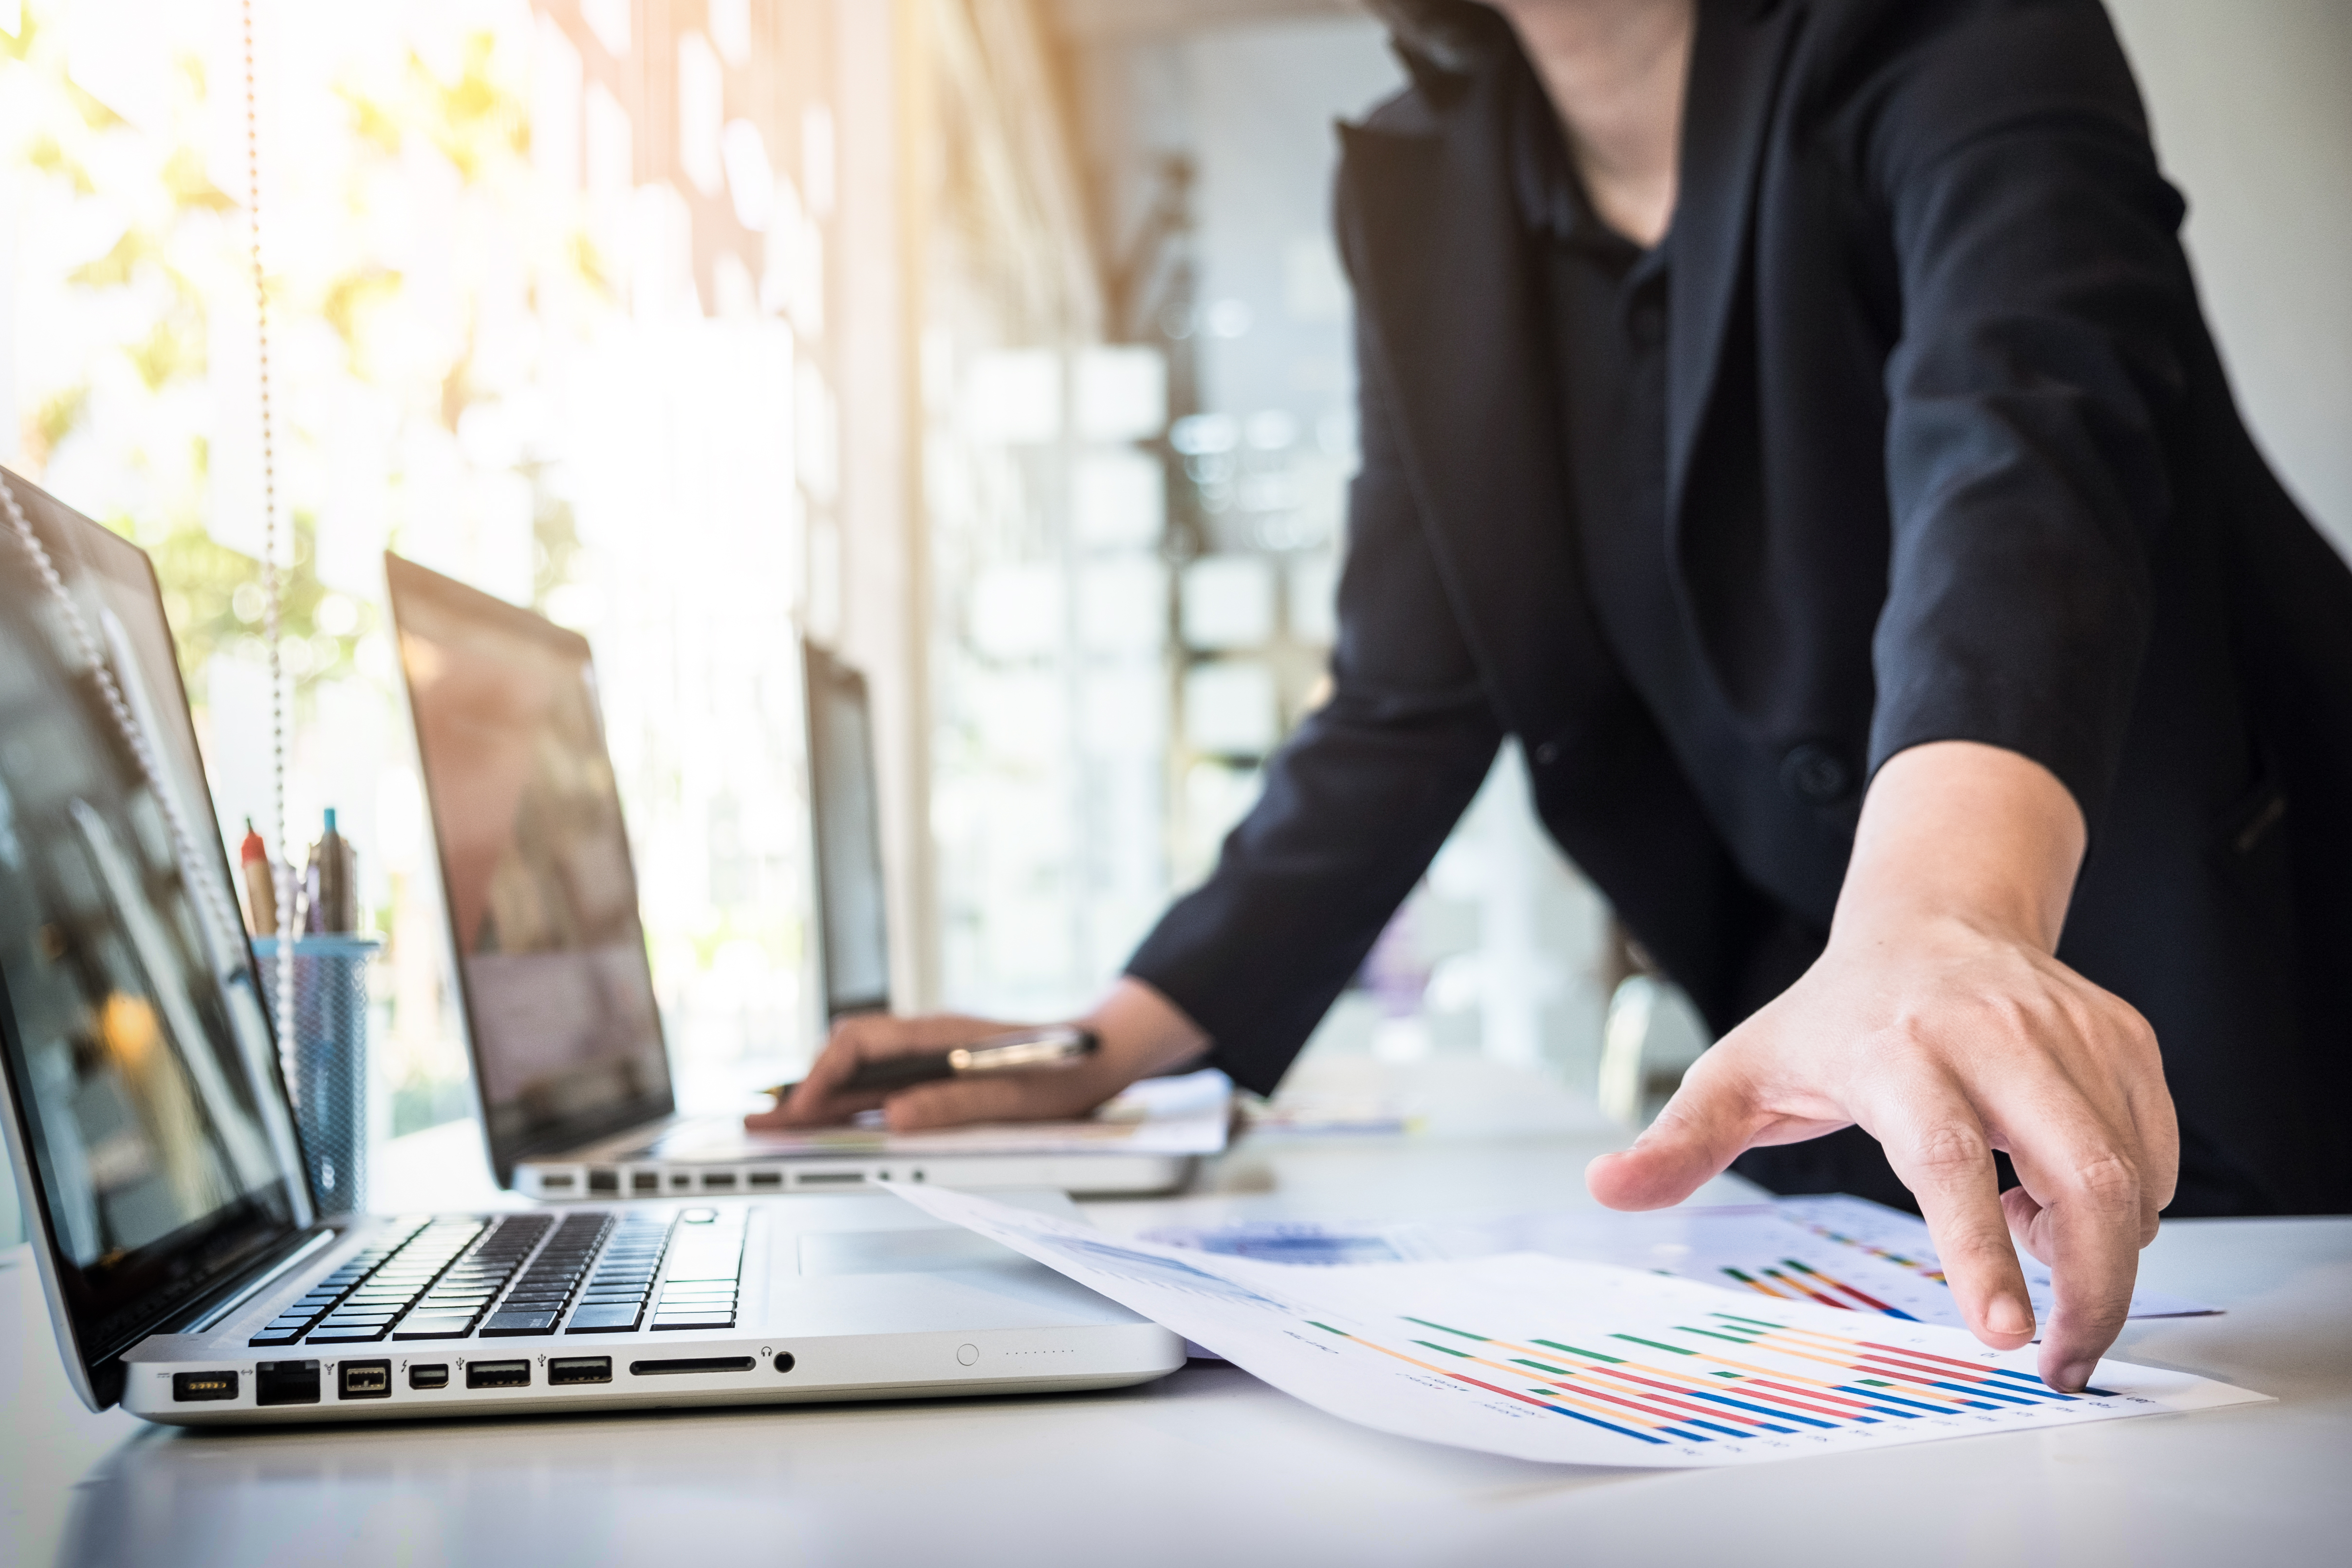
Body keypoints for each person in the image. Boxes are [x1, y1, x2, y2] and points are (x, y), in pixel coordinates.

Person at [754, 0, 2352, 1390]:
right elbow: (1407, 690)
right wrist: (1112, 1043)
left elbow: (2029, 453)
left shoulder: (1946, 30)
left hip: (2220, 971)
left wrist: (1941, 919)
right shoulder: (1420, 187)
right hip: (1854, 1080)